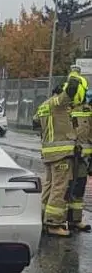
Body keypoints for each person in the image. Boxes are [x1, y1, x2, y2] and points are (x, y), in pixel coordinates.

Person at [34, 73, 84, 236]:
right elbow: (70, 90)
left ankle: (42, 218)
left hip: (48, 153)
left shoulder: (44, 105)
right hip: (60, 153)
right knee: (59, 187)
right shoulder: (59, 103)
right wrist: (75, 75)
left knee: (49, 186)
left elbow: (35, 123)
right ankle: (53, 223)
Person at [68, 92, 92, 231]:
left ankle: (76, 219)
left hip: (83, 158)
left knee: (79, 187)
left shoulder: (87, 110)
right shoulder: (63, 109)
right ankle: (59, 220)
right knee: (64, 188)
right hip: (66, 156)